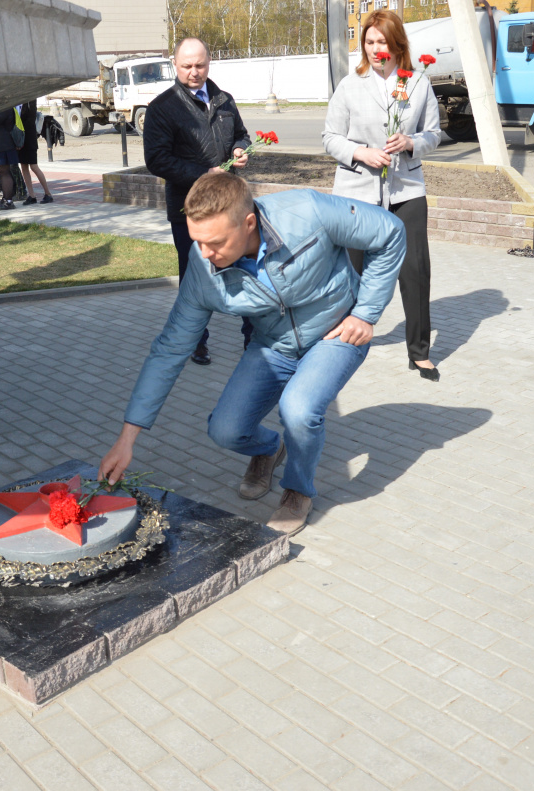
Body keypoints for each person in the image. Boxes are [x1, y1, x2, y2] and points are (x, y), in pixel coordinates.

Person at [99, 172, 405, 535]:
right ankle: (269, 448)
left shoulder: (307, 211)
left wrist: (365, 313)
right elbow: (170, 349)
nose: (205, 255)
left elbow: (390, 232)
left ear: (248, 223)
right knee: (225, 430)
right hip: (272, 345)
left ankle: (297, 490)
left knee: (299, 409)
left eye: (214, 243)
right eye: (197, 242)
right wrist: (126, 439)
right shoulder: (203, 268)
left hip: (335, 333)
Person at [323, 10, 442, 381]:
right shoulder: (349, 85)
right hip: (357, 194)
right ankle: (342, 339)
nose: (377, 49)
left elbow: (434, 135)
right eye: (370, 42)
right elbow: (330, 138)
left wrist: (411, 142)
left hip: (406, 190)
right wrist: (360, 153)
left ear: (397, 44)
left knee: (415, 271)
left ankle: (419, 352)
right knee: (350, 270)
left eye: (383, 42)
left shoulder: (417, 84)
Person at [144, 36, 253, 366]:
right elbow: (157, 160)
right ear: (174, 65)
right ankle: (195, 340)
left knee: (244, 270)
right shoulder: (162, 108)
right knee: (194, 278)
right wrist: (202, 173)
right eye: (187, 66)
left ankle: (254, 336)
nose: (194, 71)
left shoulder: (224, 100)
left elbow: (241, 135)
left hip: (230, 205)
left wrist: (240, 150)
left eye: (200, 65)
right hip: (188, 208)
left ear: (209, 62)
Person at [16, 100, 53, 205]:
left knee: (33, 166)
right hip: (22, 139)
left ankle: (48, 193)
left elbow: (28, 120)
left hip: (29, 139)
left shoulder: (30, 101)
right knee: (24, 166)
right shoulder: (20, 102)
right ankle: (31, 195)